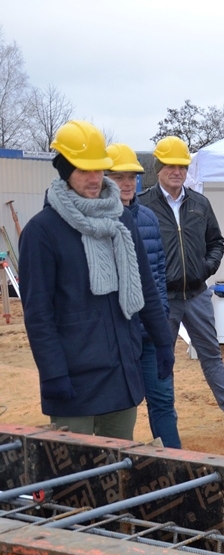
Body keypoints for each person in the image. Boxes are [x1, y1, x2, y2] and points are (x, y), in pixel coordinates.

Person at [20, 121, 176, 440]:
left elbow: (145, 285)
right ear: (64, 169)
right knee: (76, 482)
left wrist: (162, 340)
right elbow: (38, 313)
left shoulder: (120, 220)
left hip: (121, 374)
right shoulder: (42, 231)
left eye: (99, 170)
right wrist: (53, 373)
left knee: (117, 475)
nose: (94, 179)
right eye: (83, 170)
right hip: (74, 382)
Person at [139, 136, 224, 430]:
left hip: (197, 293)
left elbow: (216, 241)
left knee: (211, 354)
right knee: (162, 359)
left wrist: (205, 268)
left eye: (182, 166)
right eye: (170, 166)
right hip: (162, 298)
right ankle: (165, 422)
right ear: (159, 168)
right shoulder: (144, 206)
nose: (176, 171)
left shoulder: (199, 204)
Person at [106, 143, 181, 448]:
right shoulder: (98, 221)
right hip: (117, 337)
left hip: (150, 332)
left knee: (162, 400)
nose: (127, 183)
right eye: (119, 177)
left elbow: (159, 274)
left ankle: (177, 465)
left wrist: (160, 316)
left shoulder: (149, 219)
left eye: (132, 177)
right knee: (120, 407)